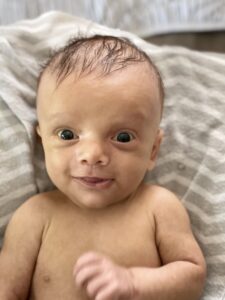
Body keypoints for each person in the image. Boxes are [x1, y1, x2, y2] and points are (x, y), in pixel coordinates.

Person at [0, 35, 206, 300]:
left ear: (153, 150)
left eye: (122, 137)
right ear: (42, 142)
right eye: (66, 135)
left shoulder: (158, 207)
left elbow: (192, 277)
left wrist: (134, 282)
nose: (93, 156)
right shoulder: (34, 216)